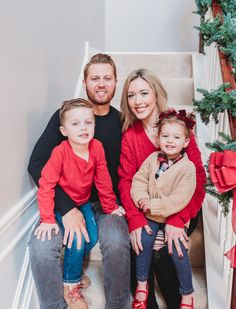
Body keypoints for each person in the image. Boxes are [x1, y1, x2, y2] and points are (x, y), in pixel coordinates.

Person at [28, 54, 130, 309]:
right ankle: (59, 300)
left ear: (116, 82)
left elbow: (122, 174)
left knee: (117, 242)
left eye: (107, 78)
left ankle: (118, 305)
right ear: (85, 82)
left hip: (105, 202)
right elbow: (37, 165)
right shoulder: (67, 117)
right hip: (67, 201)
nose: (101, 83)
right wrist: (66, 208)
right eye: (95, 78)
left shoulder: (122, 122)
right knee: (41, 248)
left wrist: (117, 208)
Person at [118, 68, 206, 309]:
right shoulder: (130, 135)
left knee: (164, 247)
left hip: (181, 206)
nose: (138, 101)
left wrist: (179, 219)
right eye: (131, 95)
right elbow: (127, 180)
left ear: (156, 94)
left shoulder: (177, 126)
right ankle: (146, 301)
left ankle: (181, 301)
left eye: (144, 93)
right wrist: (135, 219)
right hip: (147, 208)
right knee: (138, 244)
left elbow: (197, 177)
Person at [131, 110, 197, 309]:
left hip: (172, 215)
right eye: (165, 136)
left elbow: (181, 198)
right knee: (143, 240)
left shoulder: (188, 168)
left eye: (176, 137)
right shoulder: (153, 159)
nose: (170, 141)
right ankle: (142, 283)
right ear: (158, 138)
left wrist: (155, 205)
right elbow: (139, 180)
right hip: (150, 215)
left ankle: (187, 294)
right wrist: (142, 198)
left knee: (177, 249)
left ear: (185, 142)